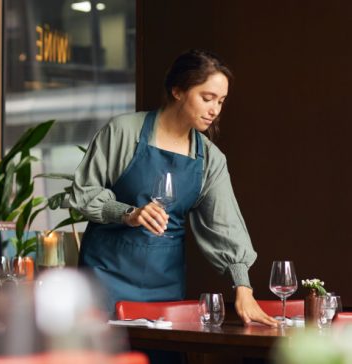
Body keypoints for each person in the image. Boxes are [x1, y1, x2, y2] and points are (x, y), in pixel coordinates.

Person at [69, 48, 277, 327]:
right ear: (178, 90)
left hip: (165, 286)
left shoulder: (210, 159)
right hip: (105, 279)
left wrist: (243, 288)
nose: (214, 110)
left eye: (221, 101)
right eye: (207, 98)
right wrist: (127, 213)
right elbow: (84, 191)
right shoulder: (123, 132)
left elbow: (225, 225)